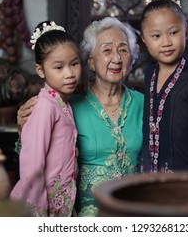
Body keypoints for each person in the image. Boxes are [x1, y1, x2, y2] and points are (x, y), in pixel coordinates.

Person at [16, 17, 144, 217]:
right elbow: (34, 160)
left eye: (123, 49)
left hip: (134, 207)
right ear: (90, 62)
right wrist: (22, 127)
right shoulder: (68, 106)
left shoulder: (143, 104)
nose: (117, 58)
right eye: (107, 50)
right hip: (86, 212)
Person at [138, 0, 188, 173]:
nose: (166, 42)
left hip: (184, 181)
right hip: (149, 177)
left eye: (173, 32)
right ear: (144, 38)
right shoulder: (150, 74)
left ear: (186, 31)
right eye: (156, 36)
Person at [10, 21, 82, 217]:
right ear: (41, 70)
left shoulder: (62, 103)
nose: (69, 74)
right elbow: (32, 164)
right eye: (59, 67)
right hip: (40, 206)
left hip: (61, 203)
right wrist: (38, 214)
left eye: (74, 64)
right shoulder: (43, 107)